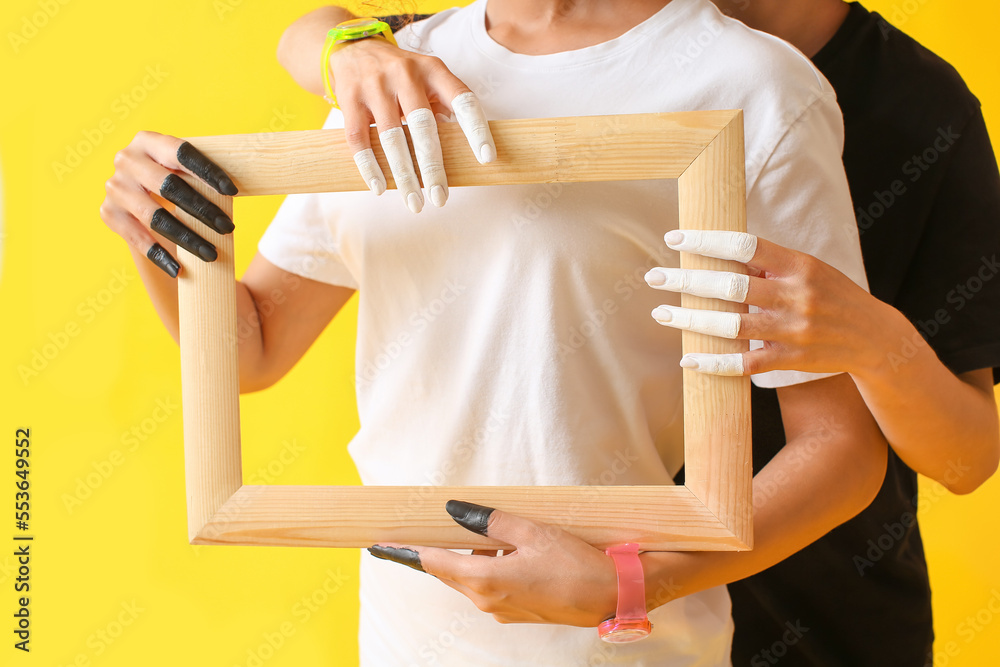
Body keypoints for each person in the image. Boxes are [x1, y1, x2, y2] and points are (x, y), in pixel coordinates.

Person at [100, 0, 894, 664]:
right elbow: (255, 344)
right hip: (402, 635)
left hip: (616, 648)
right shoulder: (388, 69)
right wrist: (162, 233)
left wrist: (633, 581)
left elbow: (839, 443)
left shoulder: (751, 84)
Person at [277, 1, 1000, 664]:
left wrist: (875, 340)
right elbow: (338, 39)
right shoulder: (470, 54)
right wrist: (338, 43)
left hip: (806, 603)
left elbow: (956, 453)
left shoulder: (846, 95)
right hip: (487, 614)